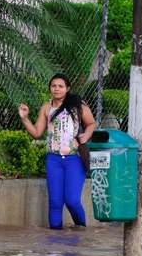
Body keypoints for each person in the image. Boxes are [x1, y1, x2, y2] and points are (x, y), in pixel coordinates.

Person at [18, 74, 96, 229]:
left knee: (72, 200)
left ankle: (81, 229)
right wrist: (25, 118)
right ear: (50, 88)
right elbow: (36, 133)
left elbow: (91, 123)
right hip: (53, 159)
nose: (57, 89)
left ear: (67, 88)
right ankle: (54, 241)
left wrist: (86, 136)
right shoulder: (46, 107)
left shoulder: (78, 105)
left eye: (60, 86)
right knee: (55, 202)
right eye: (53, 86)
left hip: (74, 158)